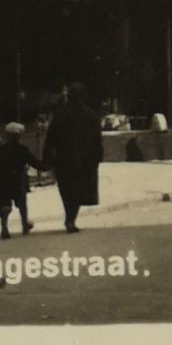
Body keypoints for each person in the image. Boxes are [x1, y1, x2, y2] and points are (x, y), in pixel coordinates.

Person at [43, 82, 103, 233]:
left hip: (64, 159)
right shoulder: (91, 115)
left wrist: (48, 158)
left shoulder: (60, 114)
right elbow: (97, 139)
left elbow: (51, 137)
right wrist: (97, 158)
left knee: (66, 190)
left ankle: (69, 218)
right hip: (85, 160)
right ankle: (71, 219)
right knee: (79, 190)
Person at [0, 122, 44, 239]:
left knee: (5, 205)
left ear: (7, 136)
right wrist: (48, 165)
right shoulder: (22, 149)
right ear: (19, 136)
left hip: (4, 180)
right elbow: (34, 162)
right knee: (22, 204)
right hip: (18, 179)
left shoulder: (1, 149)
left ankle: (4, 228)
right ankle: (24, 226)